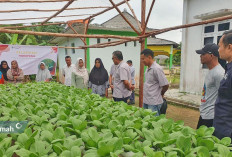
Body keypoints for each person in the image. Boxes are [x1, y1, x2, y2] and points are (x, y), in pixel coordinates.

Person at [195, 43, 224, 129]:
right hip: (205, 114)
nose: (201, 56)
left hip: (211, 117)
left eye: (203, 54)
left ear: (211, 56)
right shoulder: (211, 70)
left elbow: (224, 96)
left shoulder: (219, 73)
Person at [214, 30, 232, 139]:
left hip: (227, 132)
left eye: (220, 46)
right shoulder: (228, 67)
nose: (218, 49)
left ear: (229, 47)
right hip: (222, 127)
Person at [141, 49, 169, 116]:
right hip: (146, 100)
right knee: (146, 120)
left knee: (154, 123)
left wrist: (161, 93)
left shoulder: (157, 69)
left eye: (143, 59)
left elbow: (165, 85)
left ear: (149, 57)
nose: (142, 61)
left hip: (154, 102)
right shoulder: (148, 68)